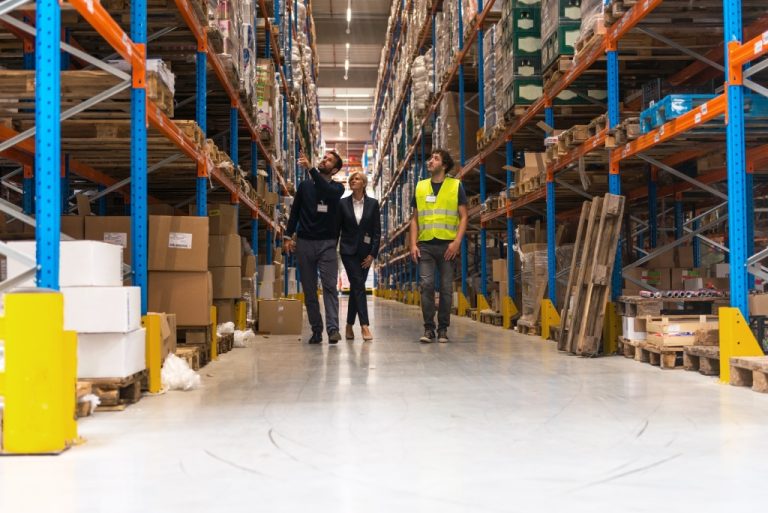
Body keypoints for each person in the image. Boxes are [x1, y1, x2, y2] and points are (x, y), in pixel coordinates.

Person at [284, 151, 345, 344]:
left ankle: (333, 329)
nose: (323, 160)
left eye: (328, 160)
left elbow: (325, 191)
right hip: (304, 243)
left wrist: (310, 168)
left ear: (334, 170)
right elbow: (294, 213)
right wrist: (287, 236)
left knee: (329, 287)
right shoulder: (304, 186)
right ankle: (316, 330)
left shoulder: (337, 188)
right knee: (309, 290)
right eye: (324, 157)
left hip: (327, 243)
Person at [409, 148, 468, 343]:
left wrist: (457, 242)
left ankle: (443, 328)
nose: (430, 161)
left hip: (447, 246)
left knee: (445, 288)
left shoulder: (455, 185)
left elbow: (464, 216)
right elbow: (415, 220)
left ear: (444, 165)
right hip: (425, 245)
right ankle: (428, 329)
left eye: (435, 158)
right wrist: (412, 244)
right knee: (426, 286)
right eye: (430, 157)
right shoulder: (420, 187)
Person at [338, 171, 381, 341]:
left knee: (357, 287)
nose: (353, 181)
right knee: (358, 284)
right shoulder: (342, 204)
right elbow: (337, 228)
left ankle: (348, 326)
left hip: (365, 253)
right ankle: (364, 326)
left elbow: (377, 232)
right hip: (348, 251)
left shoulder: (373, 204)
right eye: (351, 179)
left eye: (357, 179)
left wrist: (372, 254)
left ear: (364, 183)